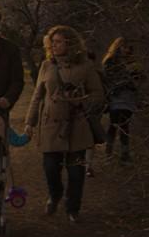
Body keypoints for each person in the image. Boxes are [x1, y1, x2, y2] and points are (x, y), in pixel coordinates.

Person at [24, 26, 104, 224]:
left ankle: (73, 208)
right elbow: (37, 96)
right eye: (52, 42)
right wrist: (30, 122)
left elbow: (98, 95)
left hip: (77, 125)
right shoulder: (46, 66)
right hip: (51, 124)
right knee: (50, 167)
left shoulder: (85, 66)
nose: (54, 45)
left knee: (76, 172)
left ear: (70, 43)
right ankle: (55, 194)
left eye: (58, 41)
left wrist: (80, 100)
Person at [102, 37, 144, 165]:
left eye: (129, 48)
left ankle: (124, 155)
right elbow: (108, 79)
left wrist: (136, 77)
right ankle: (109, 153)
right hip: (115, 96)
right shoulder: (111, 61)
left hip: (128, 97)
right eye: (124, 47)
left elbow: (140, 79)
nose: (127, 50)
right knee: (114, 124)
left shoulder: (133, 62)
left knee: (124, 124)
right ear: (118, 47)